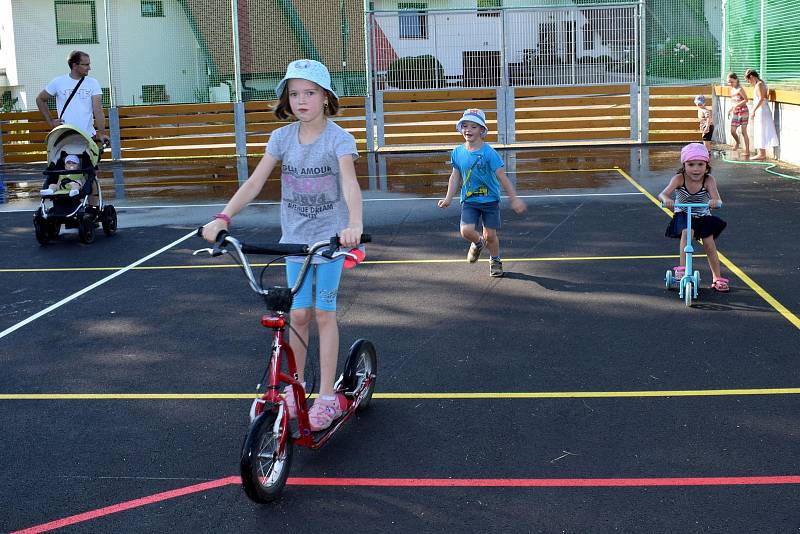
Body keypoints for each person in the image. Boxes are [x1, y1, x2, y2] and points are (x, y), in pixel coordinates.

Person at [201, 59, 363, 431]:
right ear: (285, 100)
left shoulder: (339, 138)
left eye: (309, 93)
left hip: (330, 242)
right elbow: (255, 182)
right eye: (294, 94)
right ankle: (296, 387)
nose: (301, 100)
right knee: (299, 316)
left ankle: (326, 398)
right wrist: (223, 218)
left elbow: (350, 184)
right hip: (294, 243)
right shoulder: (281, 139)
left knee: (324, 315)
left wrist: (354, 225)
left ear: (326, 98)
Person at [437, 108, 526, 278]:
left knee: (490, 235)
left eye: (473, 126)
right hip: (470, 200)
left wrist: (514, 199)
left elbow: (502, 178)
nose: (468, 130)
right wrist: (448, 198)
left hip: (490, 201)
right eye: (465, 126)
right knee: (466, 231)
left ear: (482, 131)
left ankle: (495, 260)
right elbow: (455, 176)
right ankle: (477, 244)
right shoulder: (457, 152)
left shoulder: (489, 153)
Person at [658, 143, 729, 292]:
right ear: (684, 165)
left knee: (709, 243)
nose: (696, 169)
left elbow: (717, 198)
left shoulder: (709, 180)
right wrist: (666, 200)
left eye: (700, 164)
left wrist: (715, 202)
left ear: (706, 165)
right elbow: (663, 194)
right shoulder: (679, 178)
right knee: (687, 232)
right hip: (683, 214)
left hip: (702, 215)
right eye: (691, 164)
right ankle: (683, 268)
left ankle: (717, 278)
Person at [35, 50, 108, 144]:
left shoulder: (93, 83)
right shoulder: (58, 82)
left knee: (82, 159)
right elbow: (40, 99)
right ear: (74, 66)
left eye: (89, 64)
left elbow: (98, 111)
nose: (89, 68)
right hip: (66, 135)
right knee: (71, 159)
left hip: (88, 135)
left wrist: (101, 134)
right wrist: (51, 122)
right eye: (85, 64)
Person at [744, 69, 779, 161]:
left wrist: (753, 111)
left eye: (748, 80)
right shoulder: (761, 83)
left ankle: (761, 153)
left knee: (760, 130)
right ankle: (761, 153)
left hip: (762, 110)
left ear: (751, 77)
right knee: (761, 130)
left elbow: (761, 98)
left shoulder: (759, 84)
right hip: (762, 109)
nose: (749, 82)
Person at [726, 73, 750, 159]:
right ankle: (737, 142)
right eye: (728, 82)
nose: (730, 84)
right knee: (732, 131)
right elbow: (733, 102)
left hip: (743, 111)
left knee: (744, 132)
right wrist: (730, 109)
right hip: (736, 112)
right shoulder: (732, 90)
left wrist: (737, 106)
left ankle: (747, 151)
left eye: (731, 82)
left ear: (736, 80)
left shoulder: (740, 89)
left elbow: (746, 100)